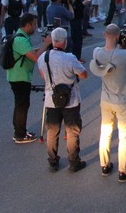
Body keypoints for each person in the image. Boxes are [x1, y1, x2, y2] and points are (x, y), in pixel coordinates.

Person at [90, 24, 126, 182]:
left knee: (105, 133)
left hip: (106, 100)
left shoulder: (97, 52)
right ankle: (123, 171)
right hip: (123, 101)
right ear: (118, 36)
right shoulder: (125, 54)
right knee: (124, 137)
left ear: (105, 34)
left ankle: (105, 165)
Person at [37, 27, 88, 172]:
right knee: (72, 131)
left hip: (51, 99)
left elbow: (42, 75)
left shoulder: (43, 58)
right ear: (65, 42)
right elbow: (83, 74)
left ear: (52, 41)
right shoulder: (70, 58)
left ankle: (53, 161)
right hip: (70, 100)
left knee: (52, 131)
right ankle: (74, 162)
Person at [7, 13, 52, 144]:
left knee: (20, 104)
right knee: (22, 105)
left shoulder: (21, 37)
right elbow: (35, 57)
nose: (35, 27)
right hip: (19, 77)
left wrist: (42, 47)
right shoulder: (20, 40)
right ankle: (20, 134)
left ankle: (20, 131)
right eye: (34, 24)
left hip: (18, 76)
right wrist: (46, 43)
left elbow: (30, 52)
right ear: (27, 25)